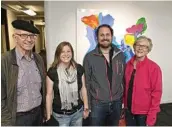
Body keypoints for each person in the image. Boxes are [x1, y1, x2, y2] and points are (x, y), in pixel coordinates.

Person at [1, 19, 46, 126]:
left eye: (32, 36)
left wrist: (43, 112)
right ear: (15, 37)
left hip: (38, 115)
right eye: (24, 35)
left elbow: (42, 89)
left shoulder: (38, 58)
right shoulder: (4, 61)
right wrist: (6, 122)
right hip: (18, 119)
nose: (29, 39)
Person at [83, 24, 125, 126]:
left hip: (116, 102)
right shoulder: (89, 57)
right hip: (98, 104)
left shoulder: (120, 55)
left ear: (111, 36)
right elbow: (86, 83)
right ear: (97, 38)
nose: (105, 37)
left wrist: (122, 100)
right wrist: (87, 105)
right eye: (102, 35)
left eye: (107, 34)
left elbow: (123, 78)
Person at [46, 41, 89, 126]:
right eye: (62, 51)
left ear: (72, 53)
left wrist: (86, 107)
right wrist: (48, 115)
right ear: (58, 54)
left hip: (78, 113)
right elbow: (49, 94)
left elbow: (83, 88)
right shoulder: (52, 71)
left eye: (68, 51)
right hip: (60, 115)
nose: (66, 54)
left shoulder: (79, 69)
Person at [123, 36, 162, 126]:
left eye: (144, 46)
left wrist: (152, 116)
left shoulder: (154, 68)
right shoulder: (128, 65)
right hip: (128, 110)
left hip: (144, 114)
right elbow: (125, 87)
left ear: (148, 50)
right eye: (138, 45)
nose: (140, 48)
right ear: (134, 46)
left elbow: (157, 93)